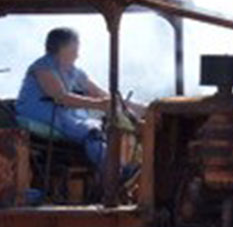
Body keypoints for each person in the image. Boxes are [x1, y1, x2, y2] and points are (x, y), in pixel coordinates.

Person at [15, 27, 143, 172]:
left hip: (65, 116)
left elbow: (101, 94)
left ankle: (115, 170)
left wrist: (140, 108)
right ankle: (114, 173)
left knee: (104, 129)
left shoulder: (75, 72)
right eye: (74, 49)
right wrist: (99, 105)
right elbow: (61, 97)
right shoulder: (42, 67)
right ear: (61, 48)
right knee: (91, 131)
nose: (77, 55)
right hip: (43, 114)